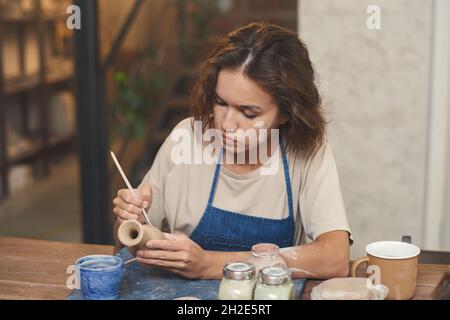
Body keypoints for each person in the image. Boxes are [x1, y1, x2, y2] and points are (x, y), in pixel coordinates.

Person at [113, 22, 352, 279]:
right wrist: (130, 219)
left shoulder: (304, 149)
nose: (226, 124)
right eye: (220, 103)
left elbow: (335, 259)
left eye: (248, 113)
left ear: (285, 113)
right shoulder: (187, 138)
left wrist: (208, 265)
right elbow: (128, 246)